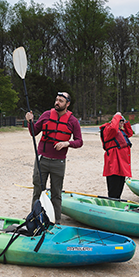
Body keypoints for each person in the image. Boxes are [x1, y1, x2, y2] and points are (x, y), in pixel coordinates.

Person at [25, 92, 83, 224]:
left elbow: (79, 141)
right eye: (56, 100)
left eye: (61, 101)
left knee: (56, 193)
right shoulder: (46, 115)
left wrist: (67, 143)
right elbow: (33, 132)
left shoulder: (73, 121)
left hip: (59, 162)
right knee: (38, 190)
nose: (57, 103)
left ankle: (56, 221)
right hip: (42, 159)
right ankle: (35, 219)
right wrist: (30, 121)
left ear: (67, 104)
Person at [100, 112, 133, 198]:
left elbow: (129, 133)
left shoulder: (120, 131)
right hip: (113, 165)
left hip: (121, 165)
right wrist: (117, 116)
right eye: (120, 122)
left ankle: (117, 202)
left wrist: (125, 122)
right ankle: (112, 205)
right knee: (113, 191)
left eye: (122, 122)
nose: (122, 124)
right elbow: (113, 128)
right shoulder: (108, 130)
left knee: (119, 190)